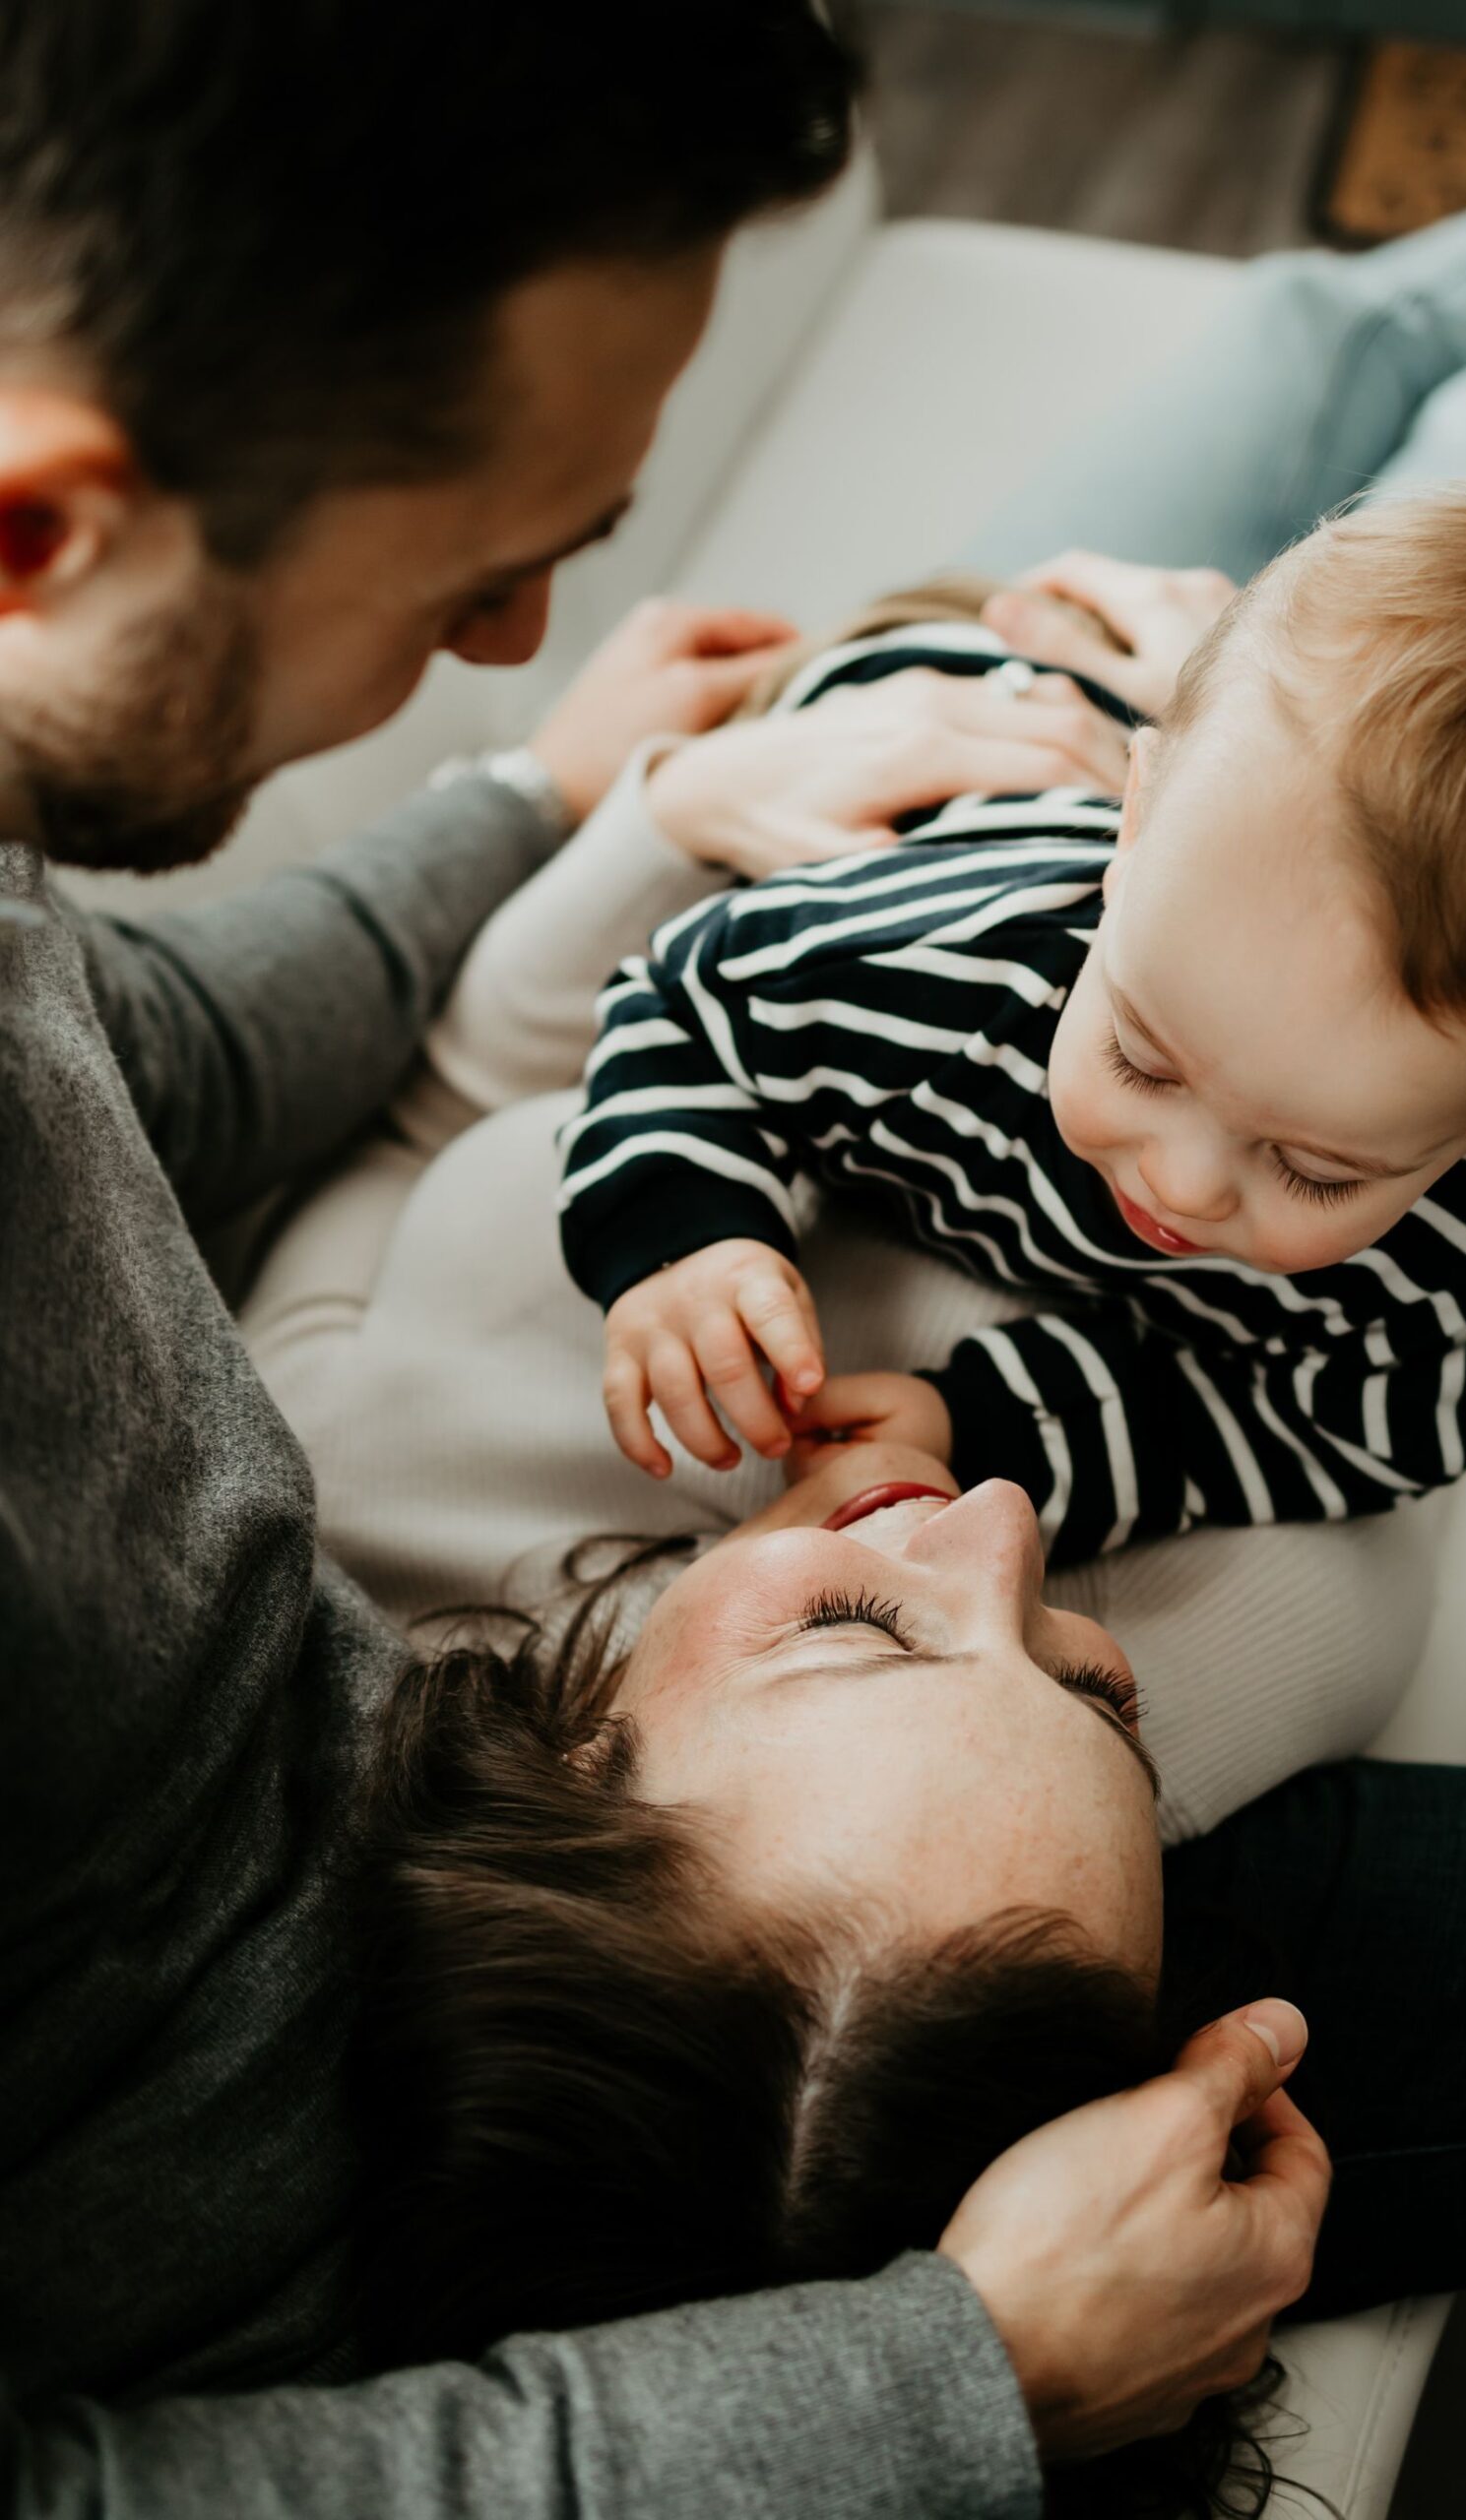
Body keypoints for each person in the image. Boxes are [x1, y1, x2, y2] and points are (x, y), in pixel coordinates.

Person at [235, 8, 1466, 2509]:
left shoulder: (357, 1487)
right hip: (1156, 794)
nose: (974, 1533)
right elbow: (1328, 1515)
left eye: (860, 1620)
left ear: (562, 1745)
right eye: (1083, 1665)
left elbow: (476, 1078)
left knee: (1320, 351)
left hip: (911, 722)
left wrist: (665, 806)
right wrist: (1065, 1479)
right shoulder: (1169, 1615)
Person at [1, 4, 1332, 2512]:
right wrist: (959, 2379)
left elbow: (104, 1043)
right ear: (41, 534)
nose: (506, 635)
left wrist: (533, 803)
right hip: (678, 2095)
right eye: (478, 574)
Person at [556, 468, 1466, 1561]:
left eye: (1314, 1167)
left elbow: (1338, 1436)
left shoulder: (1456, 1277)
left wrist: (981, 1420)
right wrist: (683, 1235)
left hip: (1218, 736)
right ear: (1129, 831)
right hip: (953, 677)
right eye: (1140, 1058)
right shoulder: (935, 958)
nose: (1181, 1187)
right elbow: (679, 1002)